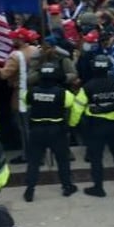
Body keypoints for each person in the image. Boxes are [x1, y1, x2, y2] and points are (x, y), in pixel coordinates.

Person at [69, 53, 114, 197]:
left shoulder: (88, 87)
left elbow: (77, 107)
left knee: (96, 158)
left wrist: (72, 124)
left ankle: (98, 187)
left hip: (95, 127)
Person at [23, 62, 77, 201]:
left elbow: (27, 103)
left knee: (33, 162)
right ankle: (67, 187)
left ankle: (30, 190)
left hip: (36, 130)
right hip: (57, 131)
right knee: (63, 160)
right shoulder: (63, 93)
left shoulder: (31, 92)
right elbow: (72, 106)